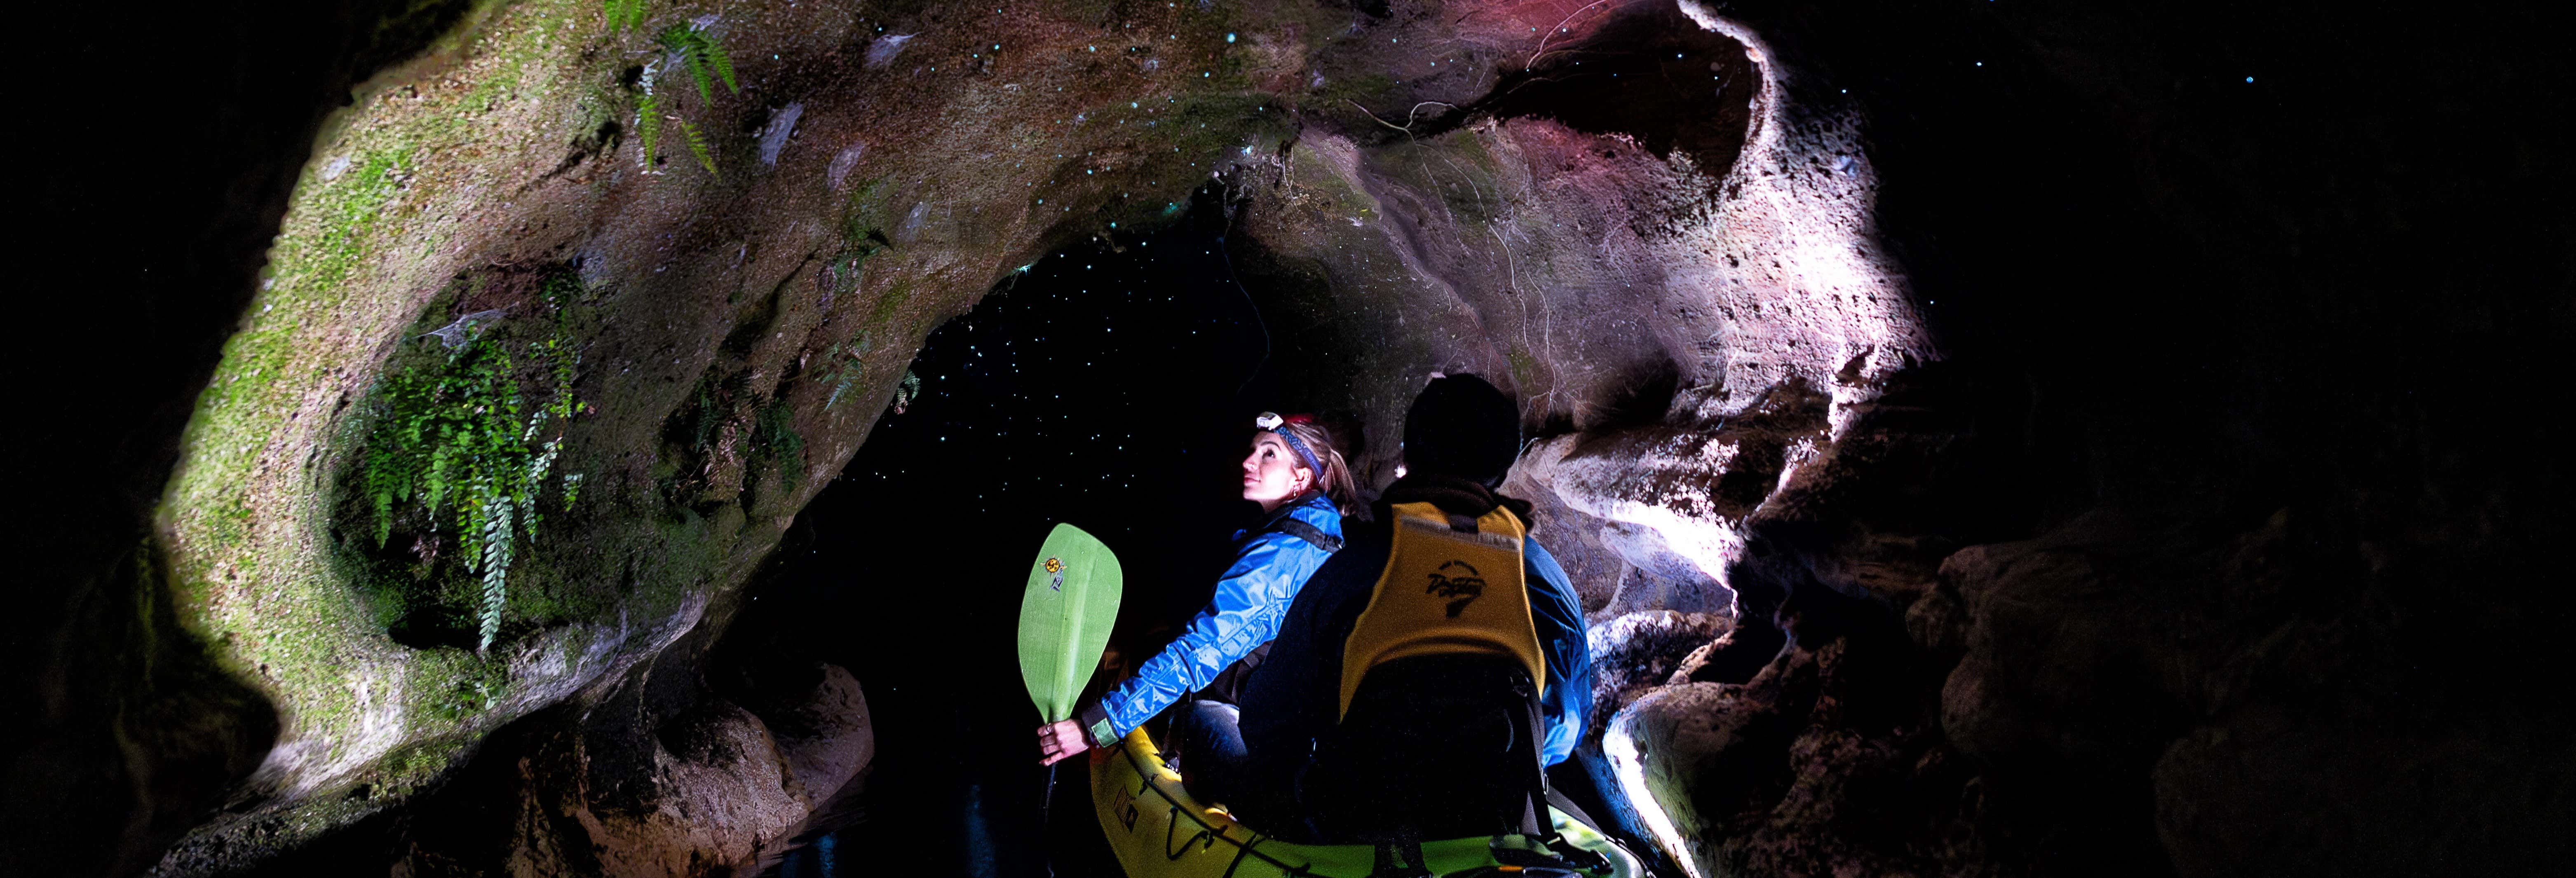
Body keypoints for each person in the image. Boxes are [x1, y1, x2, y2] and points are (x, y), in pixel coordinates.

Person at [1234, 374, 1594, 848]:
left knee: (1207, 725)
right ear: (1502, 469)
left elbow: (1266, 725)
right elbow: (1565, 730)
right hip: (1491, 825)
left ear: (1407, 456)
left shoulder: (1355, 565)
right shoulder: (1545, 578)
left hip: (1354, 835)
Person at [1035, 413, 1358, 780]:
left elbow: (1204, 650)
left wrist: (1096, 726)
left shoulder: (1284, 555)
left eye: (1269, 454)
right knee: (1158, 641)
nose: (1248, 462)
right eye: (1252, 451)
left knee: (1194, 712)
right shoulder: (1313, 531)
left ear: (1301, 477)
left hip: (1267, 740)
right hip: (1293, 728)